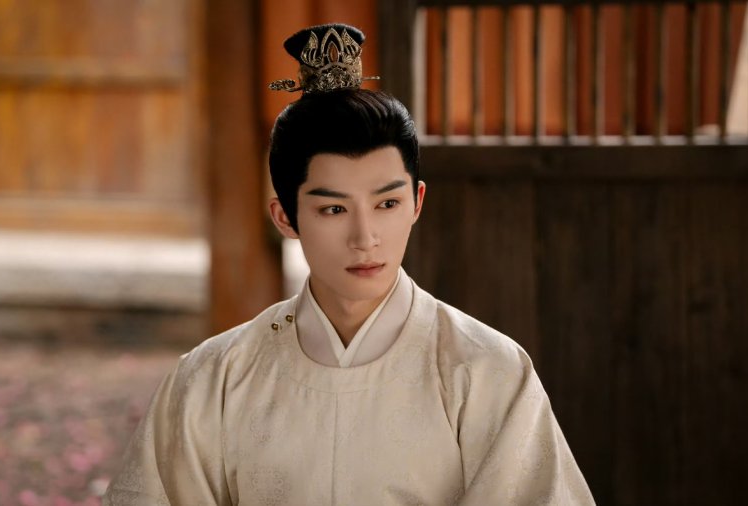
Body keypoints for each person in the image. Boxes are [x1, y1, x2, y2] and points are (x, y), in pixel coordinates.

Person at [104, 23, 594, 506]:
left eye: (387, 204)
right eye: (333, 209)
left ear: (417, 202)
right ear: (286, 216)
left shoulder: (486, 370)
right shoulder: (213, 378)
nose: (365, 238)